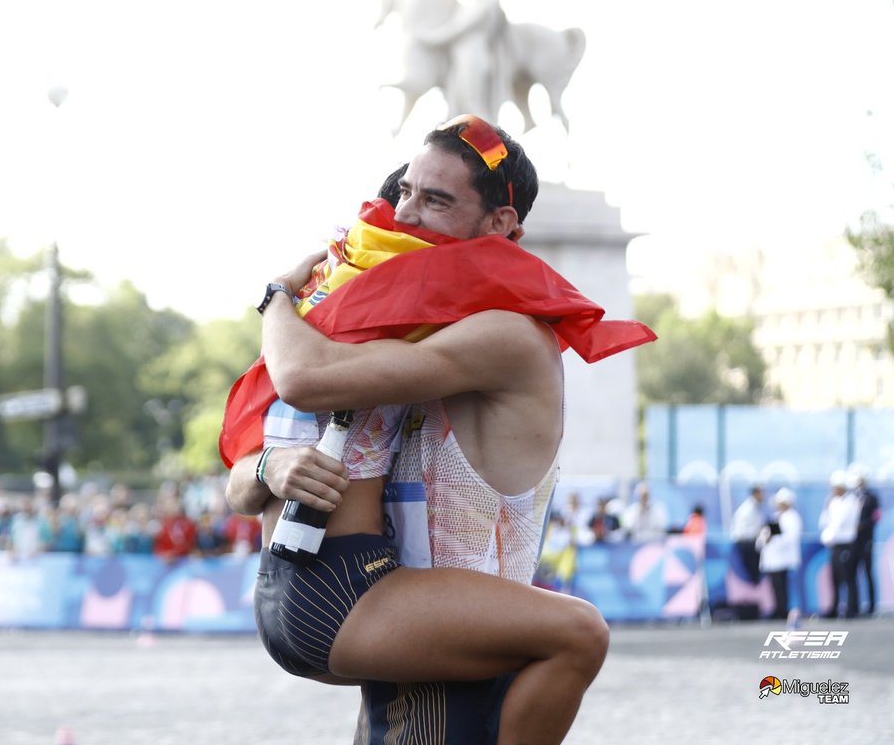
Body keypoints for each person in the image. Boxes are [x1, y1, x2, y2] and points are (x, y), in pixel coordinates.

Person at [223, 114, 655, 744]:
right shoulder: (382, 327)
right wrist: (268, 466)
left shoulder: (501, 334)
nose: (407, 212)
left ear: (501, 225)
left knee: (578, 633)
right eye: (405, 191)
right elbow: (254, 457)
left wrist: (277, 296)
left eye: (435, 200)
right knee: (579, 632)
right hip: (359, 599)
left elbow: (299, 380)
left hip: (388, 629)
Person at [818, 470, 862, 619]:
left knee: (848, 577)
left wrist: (827, 536)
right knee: (835, 578)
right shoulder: (833, 502)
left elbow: (839, 523)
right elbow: (824, 522)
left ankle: (851, 608)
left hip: (846, 544)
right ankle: (834, 607)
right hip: (835, 544)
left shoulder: (851, 501)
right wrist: (826, 506)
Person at [756, 487, 802, 623]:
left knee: (782, 585)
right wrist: (766, 539)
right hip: (773, 559)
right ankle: (778, 608)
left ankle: (783, 609)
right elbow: (764, 536)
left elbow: (790, 538)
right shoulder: (775, 517)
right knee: (775, 585)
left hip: (783, 558)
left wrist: (774, 540)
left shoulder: (793, 517)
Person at [850, 466, 881, 615]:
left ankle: (872, 605)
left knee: (868, 572)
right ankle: (854, 606)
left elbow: (876, 517)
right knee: (853, 573)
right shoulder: (851, 497)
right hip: (852, 541)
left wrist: (862, 525)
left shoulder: (872, 497)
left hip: (866, 540)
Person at [730, 484, 766, 584]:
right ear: (756, 493)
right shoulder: (748, 508)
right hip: (746, 542)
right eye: (761, 493)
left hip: (747, 542)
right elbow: (742, 529)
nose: (763, 496)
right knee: (754, 573)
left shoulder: (752, 507)